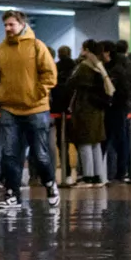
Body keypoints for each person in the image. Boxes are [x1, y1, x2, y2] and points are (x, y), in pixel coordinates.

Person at [0, 9, 59, 210]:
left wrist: (37, 94)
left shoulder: (37, 46)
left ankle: (50, 184)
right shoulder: (0, 51)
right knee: (9, 154)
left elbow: (50, 74)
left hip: (36, 108)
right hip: (9, 108)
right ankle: (12, 194)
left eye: (12, 24)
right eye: (6, 25)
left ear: (22, 24)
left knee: (40, 154)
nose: (8, 29)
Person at [67, 40, 111, 186]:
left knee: (84, 143)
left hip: (85, 108)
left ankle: (88, 177)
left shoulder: (84, 67)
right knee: (96, 143)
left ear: (86, 50)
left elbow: (70, 84)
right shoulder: (100, 66)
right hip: (98, 109)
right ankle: (98, 176)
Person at [102, 40, 131, 184]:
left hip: (113, 106)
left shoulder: (110, 68)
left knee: (111, 140)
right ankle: (127, 172)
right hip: (129, 107)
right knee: (128, 140)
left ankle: (110, 173)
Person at [51, 45, 76, 184]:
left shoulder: (55, 68)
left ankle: (65, 172)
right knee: (77, 142)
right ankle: (77, 174)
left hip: (57, 110)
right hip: (72, 111)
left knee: (61, 142)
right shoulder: (75, 68)